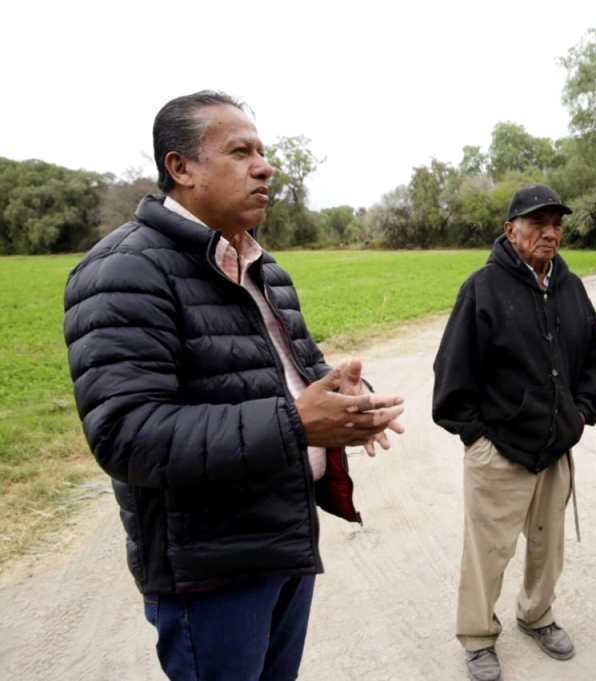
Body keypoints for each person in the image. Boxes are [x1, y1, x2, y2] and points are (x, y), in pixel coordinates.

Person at [63, 91, 404, 680]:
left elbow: (300, 374)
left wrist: (352, 401)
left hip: (284, 540)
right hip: (210, 571)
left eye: (263, 152)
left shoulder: (261, 268)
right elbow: (126, 436)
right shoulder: (123, 270)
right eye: (241, 151)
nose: (264, 166)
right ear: (181, 167)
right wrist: (297, 423)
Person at [432, 184, 596, 681]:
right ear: (510, 230)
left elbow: (593, 357)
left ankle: (536, 615)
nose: (550, 232)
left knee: (548, 548)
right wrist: (476, 438)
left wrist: (582, 412)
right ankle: (478, 637)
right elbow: (451, 375)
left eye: (556, 223)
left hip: (555, 450)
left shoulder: (570, 288)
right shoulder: (482, 288)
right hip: (499, 453)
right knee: (488, 553)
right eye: (537, 223)